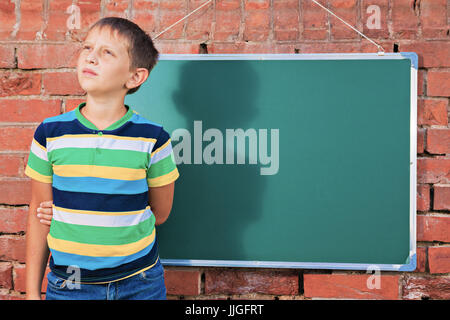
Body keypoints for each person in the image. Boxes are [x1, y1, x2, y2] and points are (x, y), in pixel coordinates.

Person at [24, 17, 179, 300]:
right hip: (69, 285)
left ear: (135, 77)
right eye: (87, 48)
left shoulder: (153, 139)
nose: (91, 57)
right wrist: (32, 292)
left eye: (107, 52)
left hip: (140, 282)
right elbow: (39, 214)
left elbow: (160, 213)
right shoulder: (50, 133)